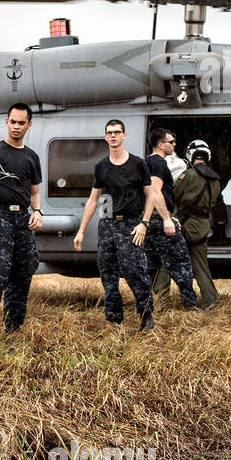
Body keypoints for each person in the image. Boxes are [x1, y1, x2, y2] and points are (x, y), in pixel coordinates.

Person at [73, 119, 156, 330]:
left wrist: (144, 223)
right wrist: (81, 231)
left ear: (124, 136)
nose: (113, 136)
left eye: (117, 132)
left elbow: (151, 195)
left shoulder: (138, 164)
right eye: (109, 133)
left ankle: (146, 316)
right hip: (107, 225)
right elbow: (93, 200)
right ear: (105, 137)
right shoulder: (101, 167)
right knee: (108, 274)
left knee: (135, 272)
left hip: (131, 225)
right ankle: (114, 319)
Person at [0, 103, 44, 345]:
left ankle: (13, 329)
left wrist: (38, 212)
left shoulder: (31, 157)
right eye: (12, 121)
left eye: (21, 123)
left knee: (22, 274)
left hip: (22, 220)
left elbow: (35, 192)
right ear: (6, 122)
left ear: (29, 125)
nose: (16, 127)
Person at [144, 127, 199, 309]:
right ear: (161, 145)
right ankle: (191, 307)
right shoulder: (159, 163)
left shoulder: (147, 162)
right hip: (160, 222)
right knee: (181, 264)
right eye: (171, 142)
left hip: (151, 221)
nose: (174, 145)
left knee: (152, 266)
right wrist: (167, 218)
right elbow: (155, 191)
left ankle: (154, 305)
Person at [174, 142, 223, 310]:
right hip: (203, 225)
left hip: (185, 224)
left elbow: (174, 194)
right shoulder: (216, 180)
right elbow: (214, 202)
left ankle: (162, 300)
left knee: (167, 262)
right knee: (201, 267)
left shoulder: (188, 175)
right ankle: (211, 302)